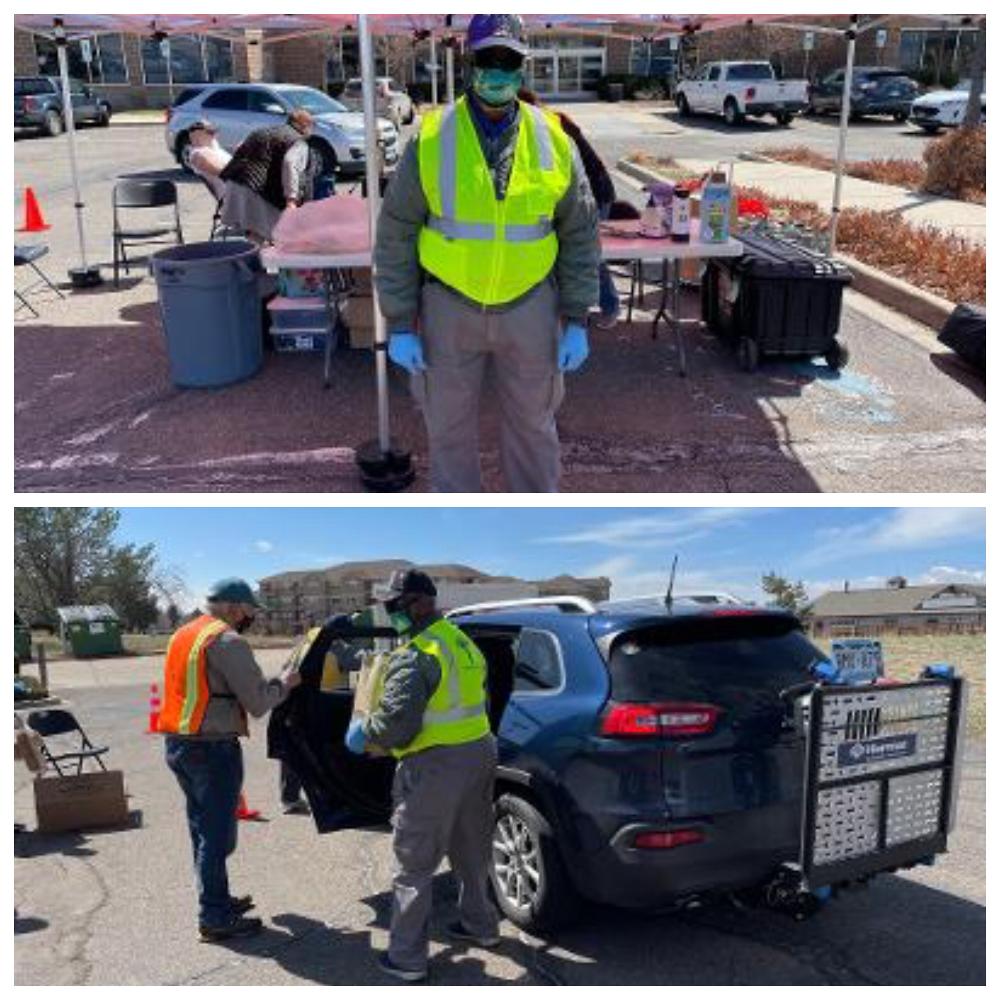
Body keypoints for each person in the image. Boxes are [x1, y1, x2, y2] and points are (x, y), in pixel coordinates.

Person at [374, 13, 600, 493]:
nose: (497, 71)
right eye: (487, 59)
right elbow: (396, 232)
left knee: (534, 428)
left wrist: (577, 317)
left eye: (508, 60)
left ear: (524, 67)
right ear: (469, 61)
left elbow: (580, 232)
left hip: (530, 306)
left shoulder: (556, 139)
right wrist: (398, 322)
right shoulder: (432, 139)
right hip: (449, 308)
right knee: (448, 430)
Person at [345, 569, 498, 982]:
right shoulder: (462, 641)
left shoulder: (416, 654)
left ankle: (407, 959)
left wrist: (364, 732)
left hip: (436, 764)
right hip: (480, 751)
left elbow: (396, 726)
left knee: (413, 864)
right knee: (471, 850)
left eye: (394, 606)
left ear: (417, 603)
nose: (389, 613)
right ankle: (481, 927)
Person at [160, 578, 301, 942]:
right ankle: (214, 916)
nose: (252, 616)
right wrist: (285, 683)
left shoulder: (184, 634)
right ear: (235, 607)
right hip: (211, 749)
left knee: (202, 829)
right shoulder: (226, 640)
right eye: (250, 609)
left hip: (179, 743)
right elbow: (257, 702)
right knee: (216, 835)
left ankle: (216, 899)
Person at [518, 88, 620, 327]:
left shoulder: (548, 127)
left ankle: (610, 305)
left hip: (595, 193)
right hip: (582, 191)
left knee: (584, 248)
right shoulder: (544, 122)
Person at [219, 108, 319, 243]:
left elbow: (239, 148)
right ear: (305, 125)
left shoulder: (262, 131)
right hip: (257, 190)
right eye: (312, 126)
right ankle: (261, 262)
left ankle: (252, 262)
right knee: (277, 237)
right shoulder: (297, 141)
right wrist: (291, 200)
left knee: (254, 235)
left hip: (235, 184)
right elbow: (290, 164)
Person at [186, 119, 232, 201]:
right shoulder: (199, 154)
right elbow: (225, 173)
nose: (214, 136)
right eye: (210, 132)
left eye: (214, 132)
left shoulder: (214, 149)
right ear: (196, 135)